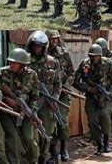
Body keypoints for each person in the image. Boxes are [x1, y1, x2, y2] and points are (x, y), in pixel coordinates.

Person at [73, 44, 112, 156]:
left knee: (104, 114)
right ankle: (99, 144)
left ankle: (107, 141)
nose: (94, 58)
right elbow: (75, 81)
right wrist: (88, 88)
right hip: (91, 96)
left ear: (100, 56)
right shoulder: (84, 64)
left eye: (97, 56)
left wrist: (108, 93)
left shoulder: (108, 63)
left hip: (105, 95)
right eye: (92, 56)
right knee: (92, 121)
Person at [0, 48, 40, 163]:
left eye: (14, 63)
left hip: (25, 110)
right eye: (10, 62)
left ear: (22, 64)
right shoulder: (2, 72)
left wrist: (32, 112)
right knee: (13, 138)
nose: (11, 65)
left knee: (28, 137)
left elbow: (35, 96)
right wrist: (6, 99)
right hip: (6, 110)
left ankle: (34, 159)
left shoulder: (32, 75)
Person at [26, 31, 61, 163]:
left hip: (47, 102)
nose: (37, 48)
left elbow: (58, 83)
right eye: (35, 46)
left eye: (40, 46)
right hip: (30, 102)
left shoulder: (52, 62)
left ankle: (43, 158)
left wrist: (55, 98)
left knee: (46, 132)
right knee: (30, 134)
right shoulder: (26, 60)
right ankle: (33, 158)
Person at [46, 30, 74, 161]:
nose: (54, 42)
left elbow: (71, 73)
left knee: (61, 120)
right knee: (50, 123)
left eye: (56, 39)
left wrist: (66, 86)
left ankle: (63, 148)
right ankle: (52, 152)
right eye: (51, 39)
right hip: (48, 94)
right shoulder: (43, 54)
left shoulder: (64, 53)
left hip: (63, 93)